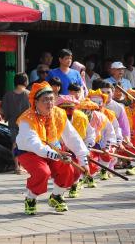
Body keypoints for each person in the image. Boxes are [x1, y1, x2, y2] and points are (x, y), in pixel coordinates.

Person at [15, 82, 89, 215]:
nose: (49, 103)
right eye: (45, 100)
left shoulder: (59, 114)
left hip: (53, 150)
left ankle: (57, 196)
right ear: (35, 102)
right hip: (29, 152)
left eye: (51, 99)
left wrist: (84, 159)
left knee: (69, 168)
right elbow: (35, 145)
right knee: (42, 172)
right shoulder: (27, 119)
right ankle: (31, 198)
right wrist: (58, 155)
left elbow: (72, 137)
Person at [0, 73, 30, 174]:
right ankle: (26, 165)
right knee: (27, 144)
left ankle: (17, 166)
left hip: (13, 123)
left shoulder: (8, 95)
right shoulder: (29, 94)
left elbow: (2, 110)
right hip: (26, 124)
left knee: (15, 144)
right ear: (25, 81)